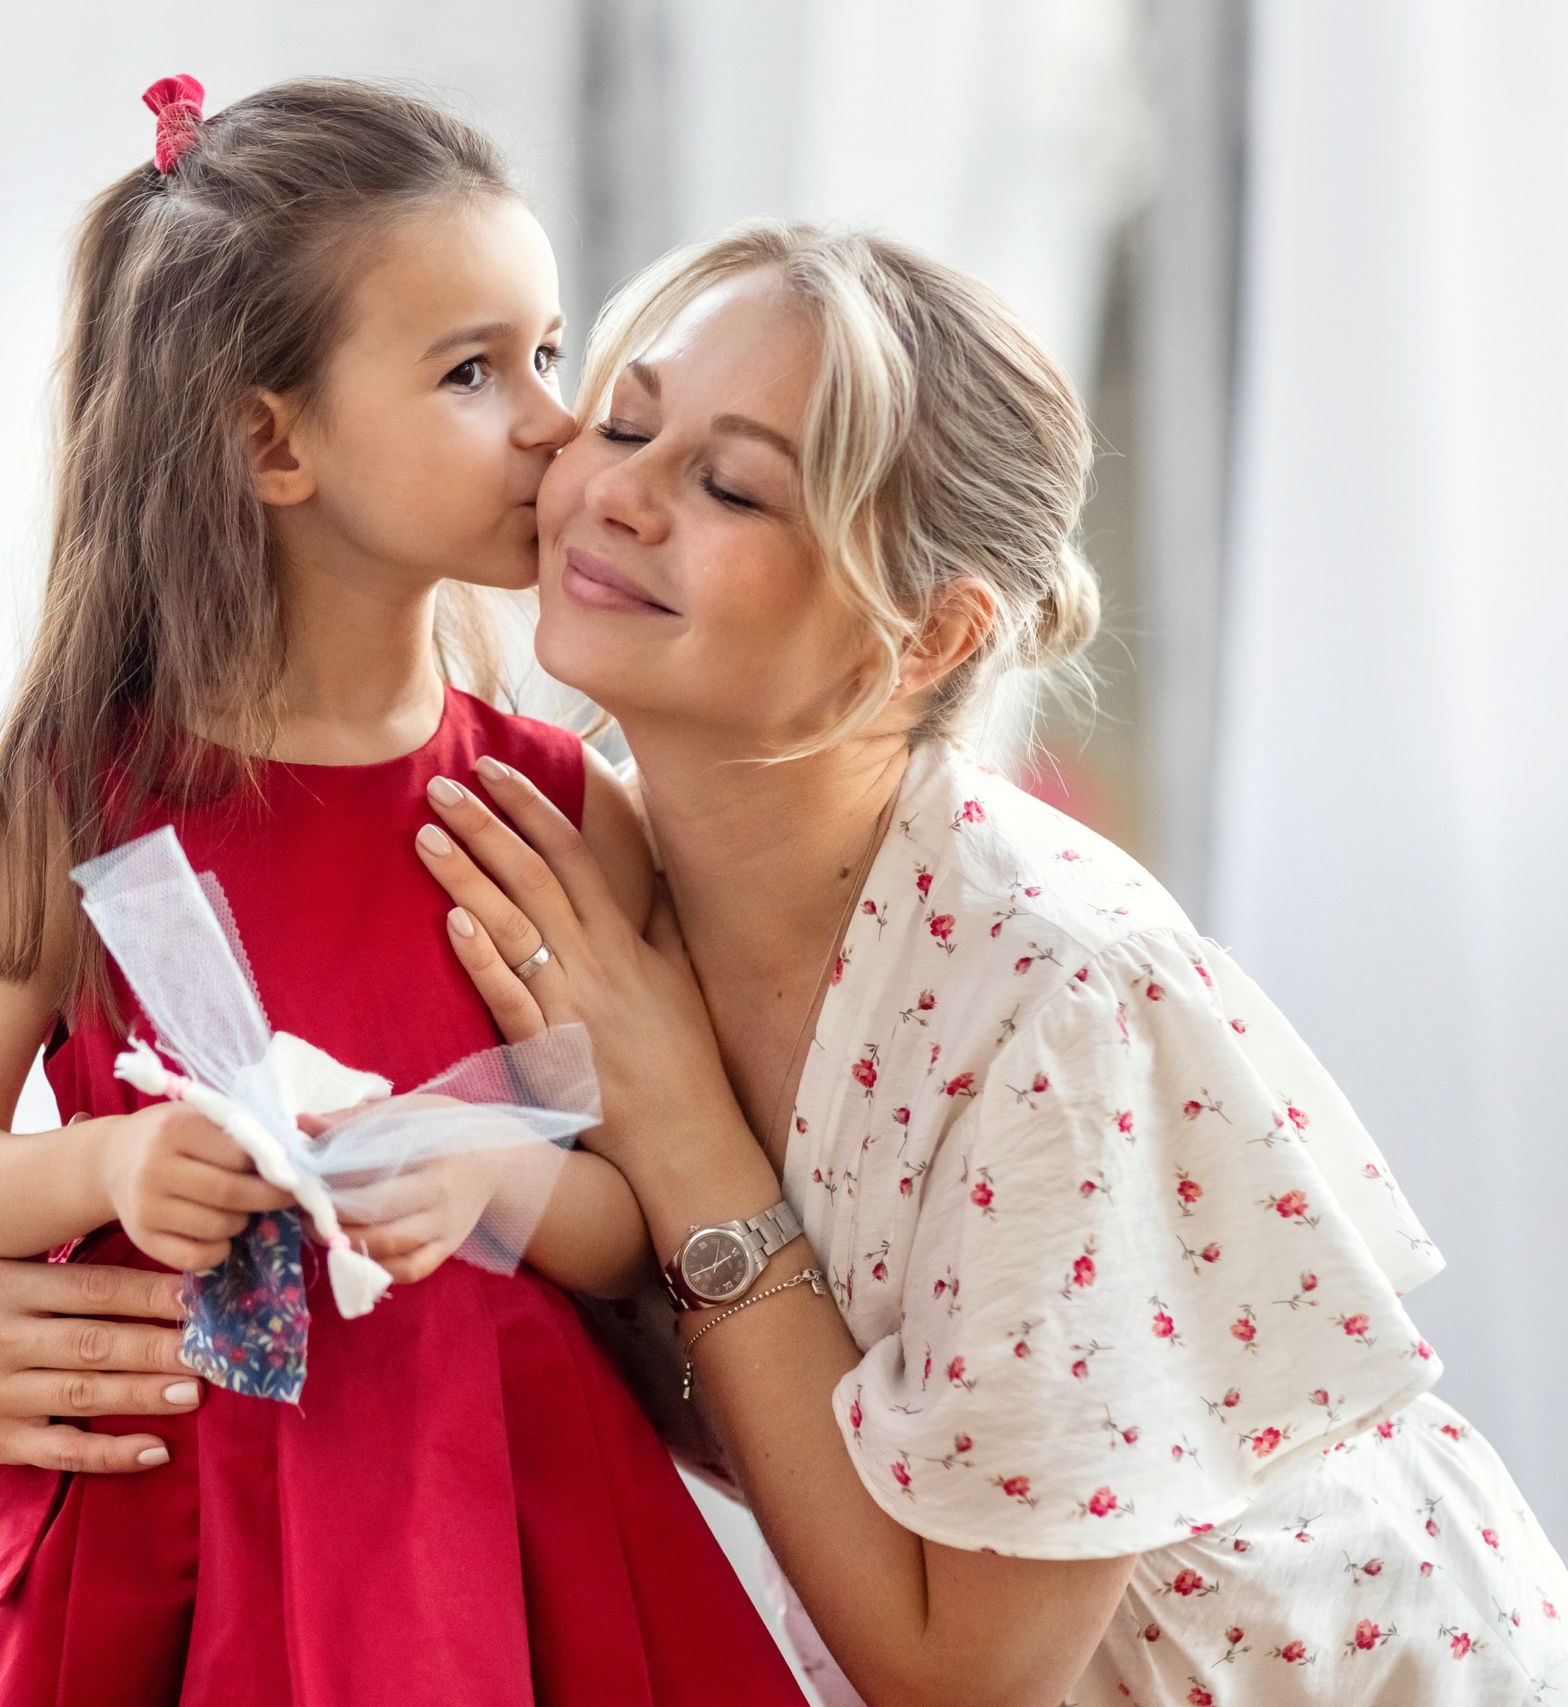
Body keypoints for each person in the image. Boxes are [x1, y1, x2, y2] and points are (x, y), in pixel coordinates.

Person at [404, 222, 1568, 1705]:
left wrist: (690, 1143)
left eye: (732, 484)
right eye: (626, 421)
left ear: (924, 637)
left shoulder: (1063, 1002)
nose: (616, 493)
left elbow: (965, 1681)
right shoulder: (559, 877)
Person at [0, 78, 802, 1707]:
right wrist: (115, 1161)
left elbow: (632, 1225)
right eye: (471, 372)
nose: (552, 423)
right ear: (268, 441)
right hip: (165, 1557)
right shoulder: (81, 796)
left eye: (550, 354)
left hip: (488, 1554)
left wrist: (484, 1178)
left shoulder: (562, 810)